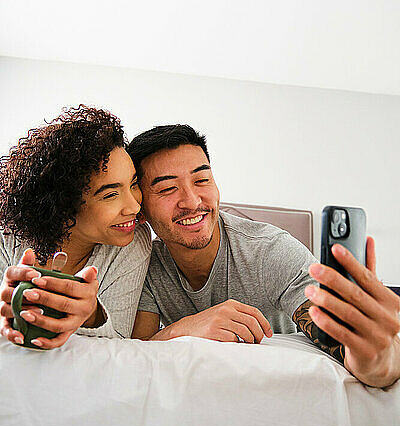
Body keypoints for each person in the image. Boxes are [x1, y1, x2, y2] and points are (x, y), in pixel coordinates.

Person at [128, 124, 400, 388]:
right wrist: (182, 330)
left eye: (202, 180)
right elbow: (137, 353)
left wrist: (378, 360)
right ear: (140, 206)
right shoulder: (147, 264)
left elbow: (349, 346)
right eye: (166, 189)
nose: (192, 201)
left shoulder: (269, 250)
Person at [0, 105, 151, 349]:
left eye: (133, 184)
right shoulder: (6, 235)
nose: (134, 207)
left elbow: (121, 342)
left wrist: (92, 315)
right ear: (63, 204)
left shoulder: (132, 240)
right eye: (110, 194)